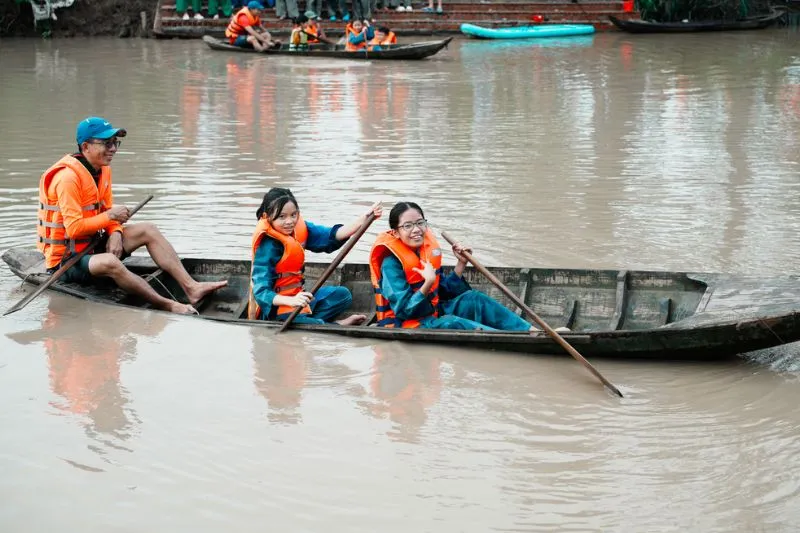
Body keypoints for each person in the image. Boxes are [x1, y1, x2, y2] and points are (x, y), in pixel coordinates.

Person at [37, 117, 227, 315]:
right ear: (86, 146)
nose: (113, 149)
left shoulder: (102, 170)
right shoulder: (68, 178)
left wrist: (116, 232)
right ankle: (168, 305)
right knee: (110, 263)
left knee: (148, 230)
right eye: (106, 143)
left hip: (91, 247)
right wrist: (111, 217)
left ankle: (191, 287)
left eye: (115, 143)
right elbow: (74, 228)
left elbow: (107, 211)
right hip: (67, 261)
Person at [369, 202, 551, 331]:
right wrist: (427, 283)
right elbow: (405, 310)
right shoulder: (391, 265)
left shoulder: (424, 252)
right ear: (396, 232)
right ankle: (518, 339)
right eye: (407, 226)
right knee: (453, 323)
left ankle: (532, 331)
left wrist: (461, 263)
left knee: (475, 299)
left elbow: (443, 292)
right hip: (409, 323)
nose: (416, 230)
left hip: (432, 311)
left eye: (420, 223)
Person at [248, 187, 382, 325]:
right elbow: (261, 292)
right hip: (277, 309)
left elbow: (331, 236)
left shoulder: (300, 228)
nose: (289, 221)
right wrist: (291, 301)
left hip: (300, 299)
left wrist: (363, 219)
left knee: (343, 295)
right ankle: (337, 325)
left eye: (293, 215)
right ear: (268, 216)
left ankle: (312, 320)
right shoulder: (267, 246)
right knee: (303, 323)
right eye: (282, 217)